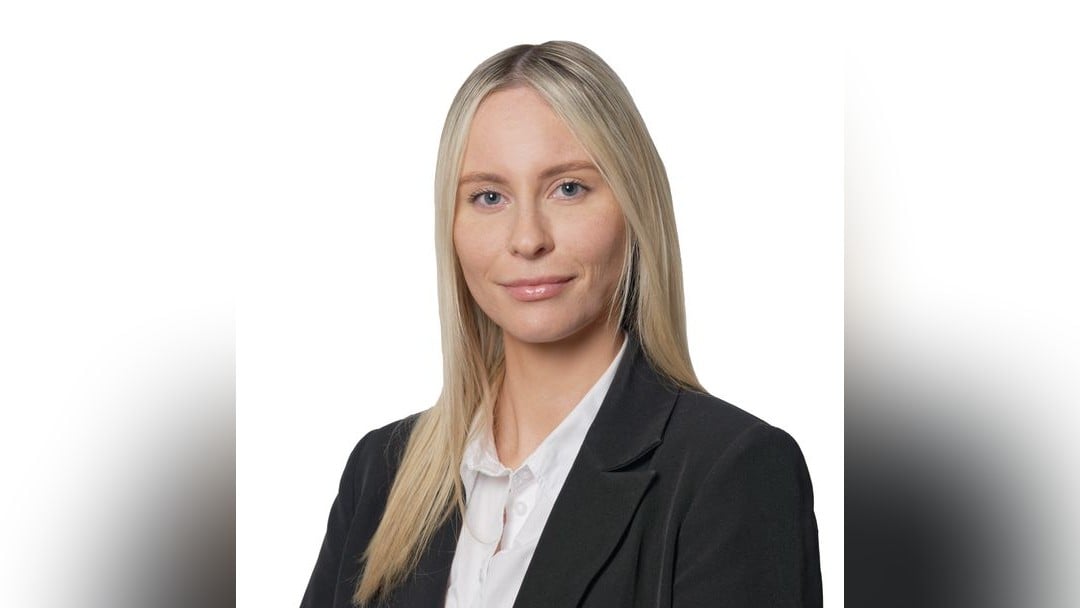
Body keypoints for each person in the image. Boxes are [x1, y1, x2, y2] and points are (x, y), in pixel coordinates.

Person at [301, 40, 822, 608]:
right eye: (489, 196)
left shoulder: (732, 470)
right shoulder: (381, 471)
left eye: (569, 188)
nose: (528, 239)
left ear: (634, 206)